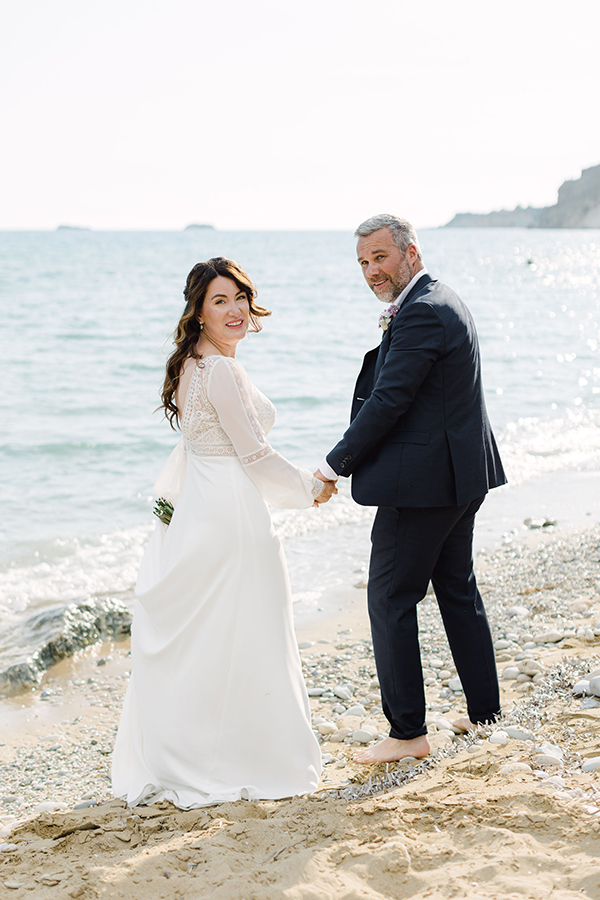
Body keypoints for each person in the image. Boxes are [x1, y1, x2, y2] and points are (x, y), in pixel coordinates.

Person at [112, 256, 336, 807]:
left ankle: (188, 750)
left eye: (239, 297)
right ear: (199, 311)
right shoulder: (222, 371)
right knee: (250, 633)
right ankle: (248, 758)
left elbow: (193, 449)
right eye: (219, 301)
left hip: (200, 514)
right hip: (232, 515)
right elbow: (254, 453)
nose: (234, 310)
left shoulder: (192, 364)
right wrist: (309, 488)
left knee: (212, 639)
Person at [315, 215, 507, 764]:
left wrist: (334, 466)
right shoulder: (442, 299)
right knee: (456, 589)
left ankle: (407, 735)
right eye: (363, 263)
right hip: (460, 477)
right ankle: (485, 713)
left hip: (423, 488)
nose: (372, 271)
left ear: (411, 253)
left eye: (380, 257)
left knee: (390, 597)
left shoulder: (422, 311)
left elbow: (389, 400)